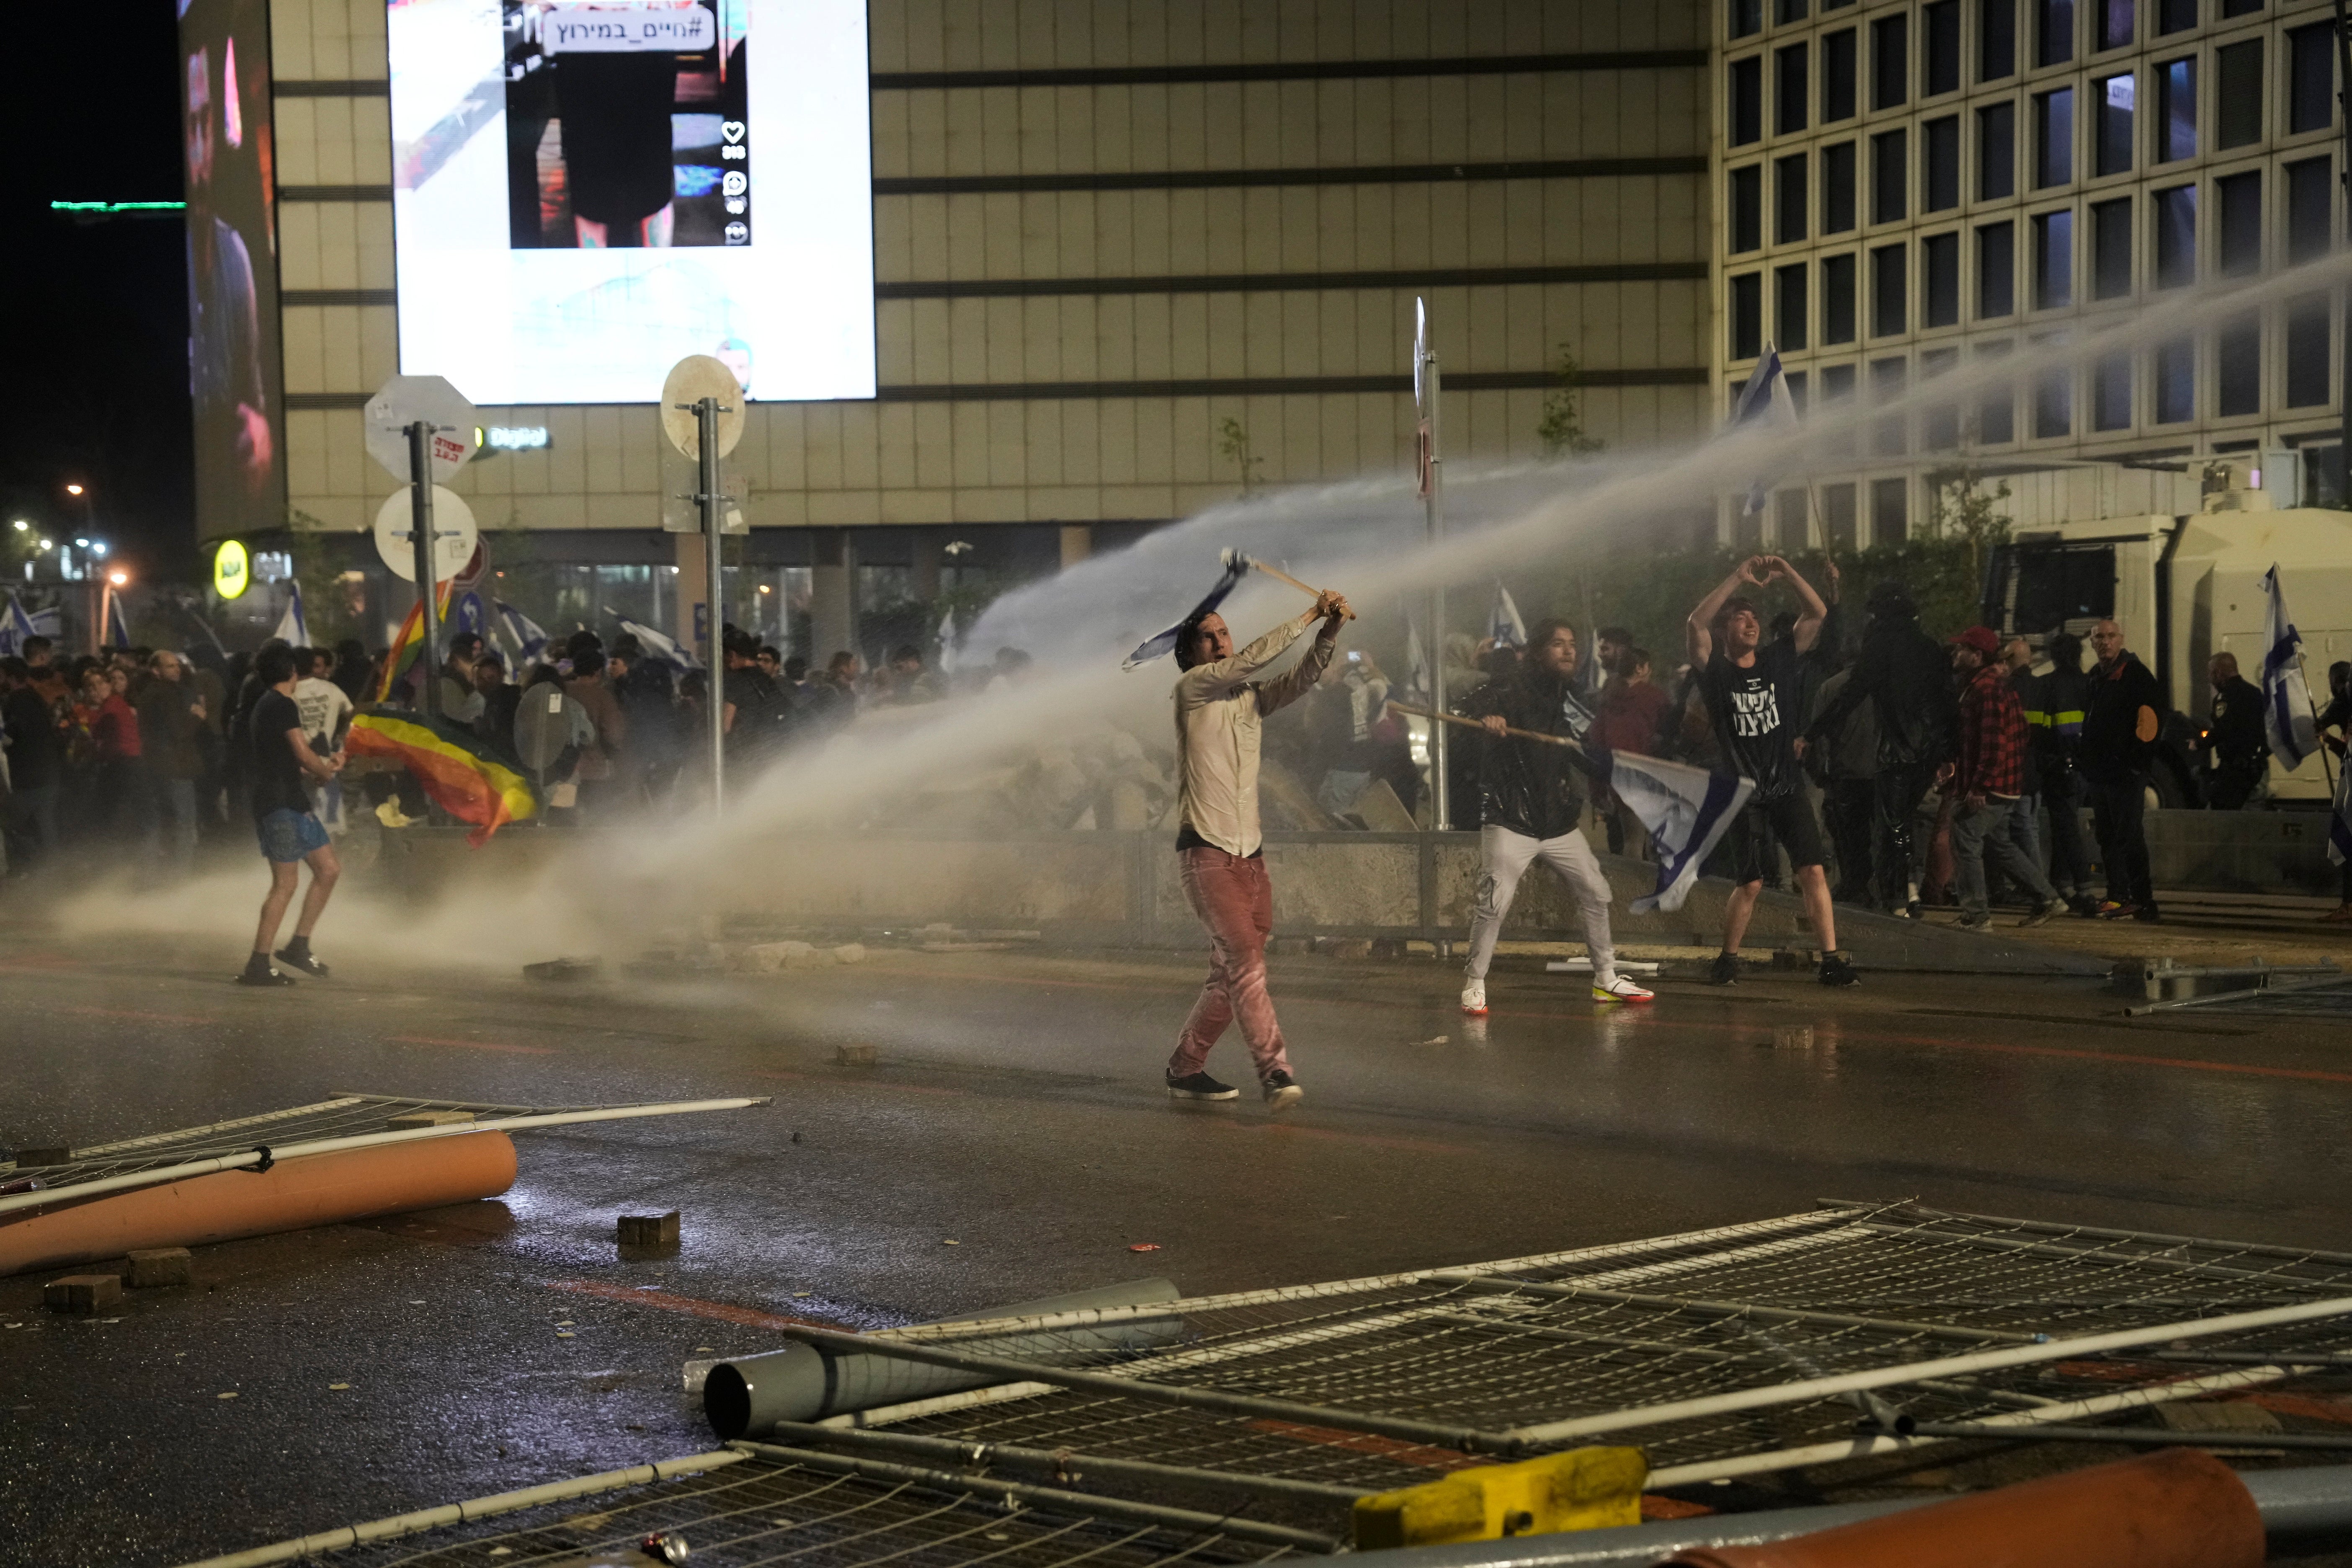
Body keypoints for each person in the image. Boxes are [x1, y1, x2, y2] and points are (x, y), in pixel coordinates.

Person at [1165, 589, 1351, 1110]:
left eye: (1225, 633)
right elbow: (1253, 659)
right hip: (1206, 854)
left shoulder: (1247, 698)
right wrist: (1310, 613)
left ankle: (1185, 1067)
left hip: (1251, 860)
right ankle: (1275, 1071)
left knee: (1229, 975)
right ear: (1191, 653)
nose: (1222, 643)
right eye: (1209, 637)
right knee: (1246, 964)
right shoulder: (1192, 689)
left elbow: (1302, 679)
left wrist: (1328, 633)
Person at [1460, 620, 1651, 1014]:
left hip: (1556, 820)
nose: (1569, 651)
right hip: (1511, 816)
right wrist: (1491, 717)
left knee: (1597, 892)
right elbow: (1476, 699)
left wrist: (1620, 771)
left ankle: (1606, 978)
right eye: (1558, 645)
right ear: (1538, 652)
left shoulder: (1571, 695)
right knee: (1495, 902)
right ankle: (1475, 982)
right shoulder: (1512, 684)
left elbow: (1580, 752)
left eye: (1572, 645)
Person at [1687, 556, 1857, 987]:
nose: (1749, 624)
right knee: (1752, 883)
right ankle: (1728, 959)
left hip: (1786, 786)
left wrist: (1788, 573)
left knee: (1813, 871)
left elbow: (1817, 613)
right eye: (1739, 619)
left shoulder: (1777, 660)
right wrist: (1736, 579)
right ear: (1724, 632)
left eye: (1753, 618)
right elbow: (1695, 623)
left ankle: (1831, 961)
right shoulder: (1715, 672)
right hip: (1744, 791)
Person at [1803, 581, 1954, 917]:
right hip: (1920, 757)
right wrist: (1947, 754)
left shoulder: (1854, 673)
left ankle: (1892, 897)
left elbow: (1848, 700)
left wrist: (1811, 737)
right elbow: (1947, 705)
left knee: (1874, 837)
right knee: (1899, 828)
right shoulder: (1930, 651)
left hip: (1874, 767)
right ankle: (1907, 892)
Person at [1947, 627, 2066, 929]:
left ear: (1977, 656)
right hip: (2007, 783)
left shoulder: (1984, 689)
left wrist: (1979, 786)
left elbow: (1992, 742)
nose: (1955, 654)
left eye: (1961, 649)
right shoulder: (1994, 686)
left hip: (1992, 786)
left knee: (1965, 836)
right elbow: (2020, 733)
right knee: (2001, 845)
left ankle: (1977, 915)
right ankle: (2048, 899)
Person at [238, 644, 343, 985]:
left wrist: (317, 770)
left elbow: (283, 759)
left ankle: (298, 945)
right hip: (279, 804)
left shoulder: (266, 704)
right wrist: (324, 770)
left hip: (291, 799)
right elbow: (301, 751)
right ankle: (258, 962)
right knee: (285, 884)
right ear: (292, 672)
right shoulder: (280, 704)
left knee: (328, 869)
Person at [2081, 618, 2163, 921]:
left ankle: (2142, 901)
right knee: (2108, 836)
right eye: (2099, 637)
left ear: (2121, 639)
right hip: (2101, 774)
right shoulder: (2096, 677)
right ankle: (2118, 897)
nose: (2105, 642)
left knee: (2129, 836)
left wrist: (2134, 765)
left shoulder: (2136, 677)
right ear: (2091, 643)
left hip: (2124, 775)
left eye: (2110, 636)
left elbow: (2151, 724)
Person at [2022, 630, 2097, 914]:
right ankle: (2063, 884)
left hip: (2056, 767)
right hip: (2084, 768)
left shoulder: (2045, 686)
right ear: (2078, 655)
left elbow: (2035, 731)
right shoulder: (2091, 684)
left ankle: (2083, 889)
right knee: (2065, 825)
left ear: (2054, 657)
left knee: (2065, 827)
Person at [1592, 645, 1672, 857]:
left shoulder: (1607, 698)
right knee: (1656, 839)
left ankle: (1629, 887)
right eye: (1648, 667)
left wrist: (1598, 787)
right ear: (1639, 668)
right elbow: (1668, 734)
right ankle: (1647, 886)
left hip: (1618, 776)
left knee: (1632, 839)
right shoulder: (1654, 697)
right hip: (1648, 774)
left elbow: (1596, 742)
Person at [137, 651, 209, 874]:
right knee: (184, 824)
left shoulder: (149, 693)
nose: (177, 670)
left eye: (177, 666)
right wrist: (197, 715)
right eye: (170, 667)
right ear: (156, 671)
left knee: (157, 825)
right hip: (175, 766)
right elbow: (179, 731)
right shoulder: (165, 694)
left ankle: (151, 875)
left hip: (155, 766)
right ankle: (180, 880)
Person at [2198, 651, 2269, 810]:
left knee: (2220, 815)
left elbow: (2222, 730)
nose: (2210, 679)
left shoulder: (2225, 698)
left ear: (2218, 673)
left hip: (2235, 772)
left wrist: (2199, 743)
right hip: (2258, 768)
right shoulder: (2255, 693)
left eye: (2211, 674)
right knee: (2254, 816)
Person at [2318, 661, 2352, 923]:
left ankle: (2348, 905)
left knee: (2347, 840)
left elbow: (2320, 723)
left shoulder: (2344, 700)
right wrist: (2332, 742)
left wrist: (2321, 733)